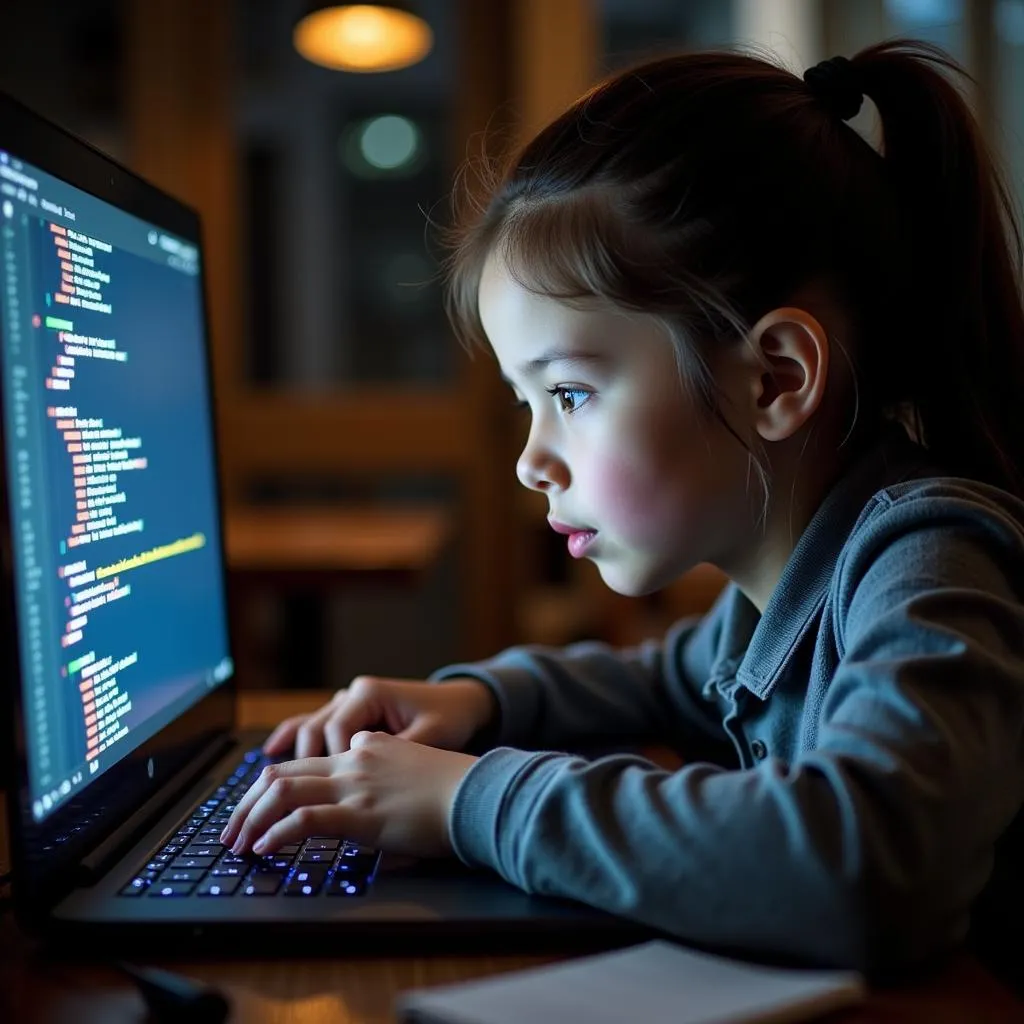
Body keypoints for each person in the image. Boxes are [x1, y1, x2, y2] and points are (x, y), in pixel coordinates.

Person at [220, 39, 1024, 982]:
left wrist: (473, 801)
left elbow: (867, 864)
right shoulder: (794, 585)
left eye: (567, 395)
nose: (530, 462)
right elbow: (665, 680)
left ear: (775, 378)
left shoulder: (928, 559)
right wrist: (481, 700)